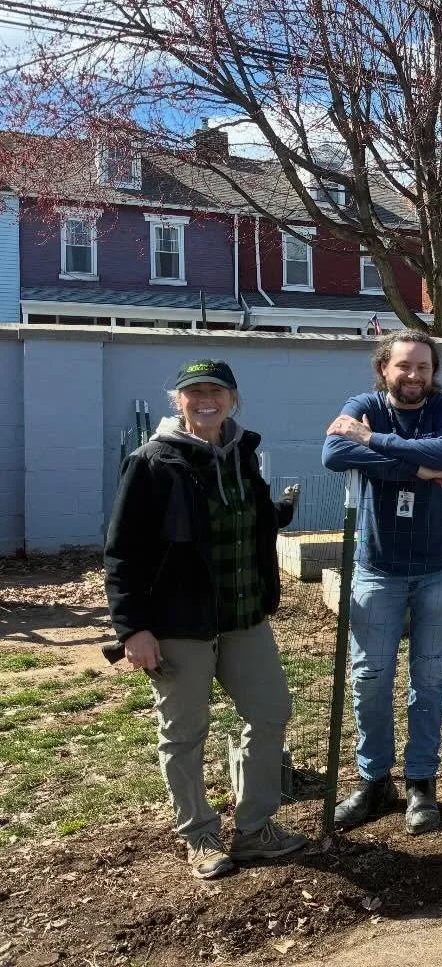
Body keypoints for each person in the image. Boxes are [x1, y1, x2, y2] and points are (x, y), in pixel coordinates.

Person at [105, 358, 306, 880]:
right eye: (193, 391)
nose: (205, 399)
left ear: (233, 399)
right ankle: (199, 835)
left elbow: (248, 520)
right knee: (184, 731)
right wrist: (133, 629)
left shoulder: (244, 454)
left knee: (269, 713)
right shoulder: (152, 462)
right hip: (178, 624)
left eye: (216, 389)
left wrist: (280, 511)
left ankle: (255, 828)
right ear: (179, 402)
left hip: (244, 617)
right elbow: (122, 552)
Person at [321, 330, 442, 834]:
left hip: (439, 567)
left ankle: (421, 783)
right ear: (385, 368)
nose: (414, 376)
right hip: (378, 568)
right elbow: (333, 456)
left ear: (433, 372)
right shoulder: (364, 403)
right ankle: (373, 779)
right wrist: (417, 468)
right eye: (404, 366)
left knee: (428, 677)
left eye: (423, 367)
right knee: (370, 677)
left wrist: (370, 440)